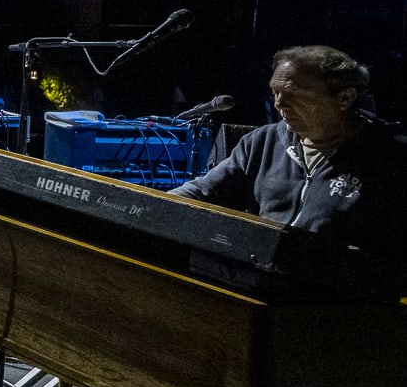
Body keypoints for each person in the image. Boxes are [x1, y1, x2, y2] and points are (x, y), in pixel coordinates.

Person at [172, 44, 407, 251]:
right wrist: (156, 206)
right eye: (275, 92)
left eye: (293, 95)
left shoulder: (390, 157)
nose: (279, 103)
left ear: (345, 98)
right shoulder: (262, 141)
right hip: (257, 274)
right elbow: (202, 192)